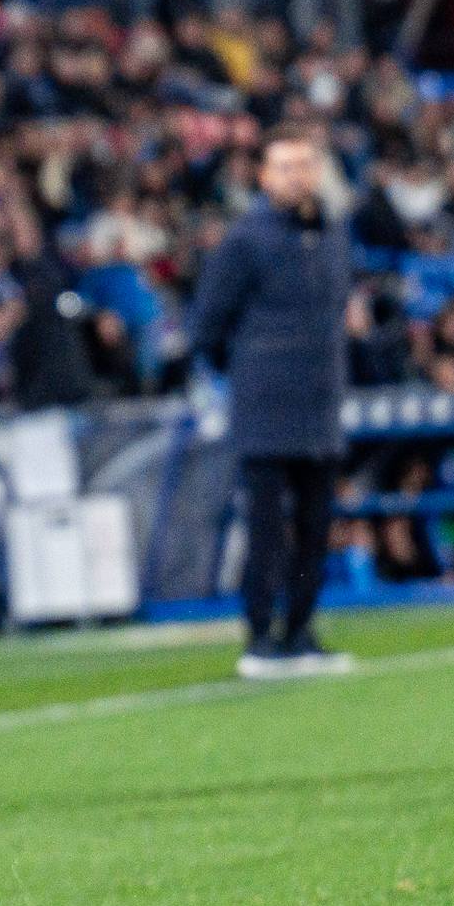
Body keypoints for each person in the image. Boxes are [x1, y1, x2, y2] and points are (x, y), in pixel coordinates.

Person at [186, 124, 353, 679]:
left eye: (305, 165)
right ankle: (260, 637)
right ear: (262, 176)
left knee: (314, 528)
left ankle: (301, 631)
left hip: (321, 406)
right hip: (264, 410)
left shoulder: (330, 233)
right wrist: (248, 375)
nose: (297, 176)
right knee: (264, 529)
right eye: (284, 166)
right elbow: (207, 326)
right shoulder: (243, 240)